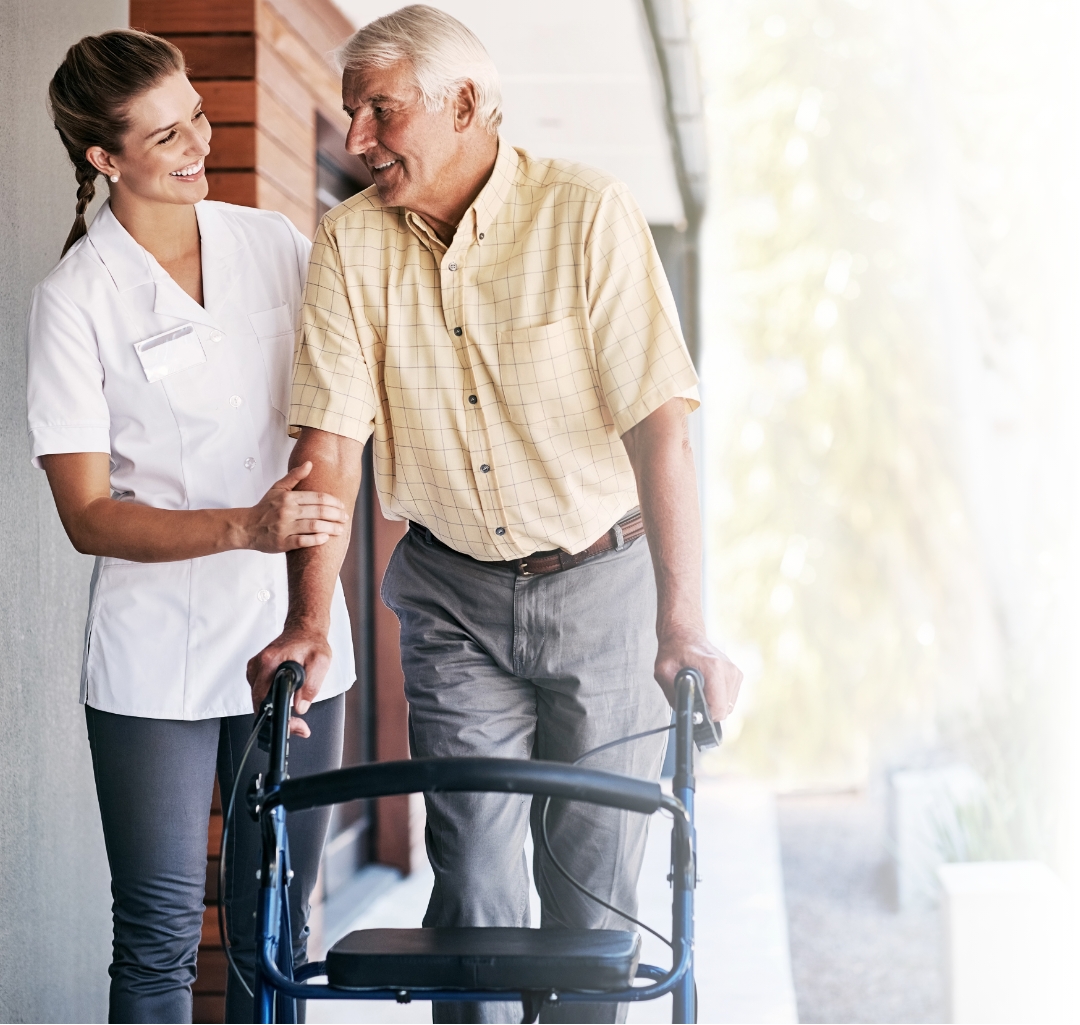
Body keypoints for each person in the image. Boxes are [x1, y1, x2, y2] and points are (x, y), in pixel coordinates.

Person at [248, 6, 743, 1023]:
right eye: (352, 115)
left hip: (605, 580)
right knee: (471, 871)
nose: (360, 141)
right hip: (451, 591)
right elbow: (330, 446)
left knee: (592, 890)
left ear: (466, 102)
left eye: (381, 111)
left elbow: (662, 429)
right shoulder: (350, 244)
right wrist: (308, 616)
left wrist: (682, 620)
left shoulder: (585, 214)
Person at [26, 30, 355, 1024]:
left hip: (288, 625)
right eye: (165, 133)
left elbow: (333, 416)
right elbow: (88, 514)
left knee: (277, 922)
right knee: (162, 931)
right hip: (153, 650)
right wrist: (242, 526)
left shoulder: (273, 245)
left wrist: (291, 568)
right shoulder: (76, 299)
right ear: (104, 159)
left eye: (198, 118)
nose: (196, 143)